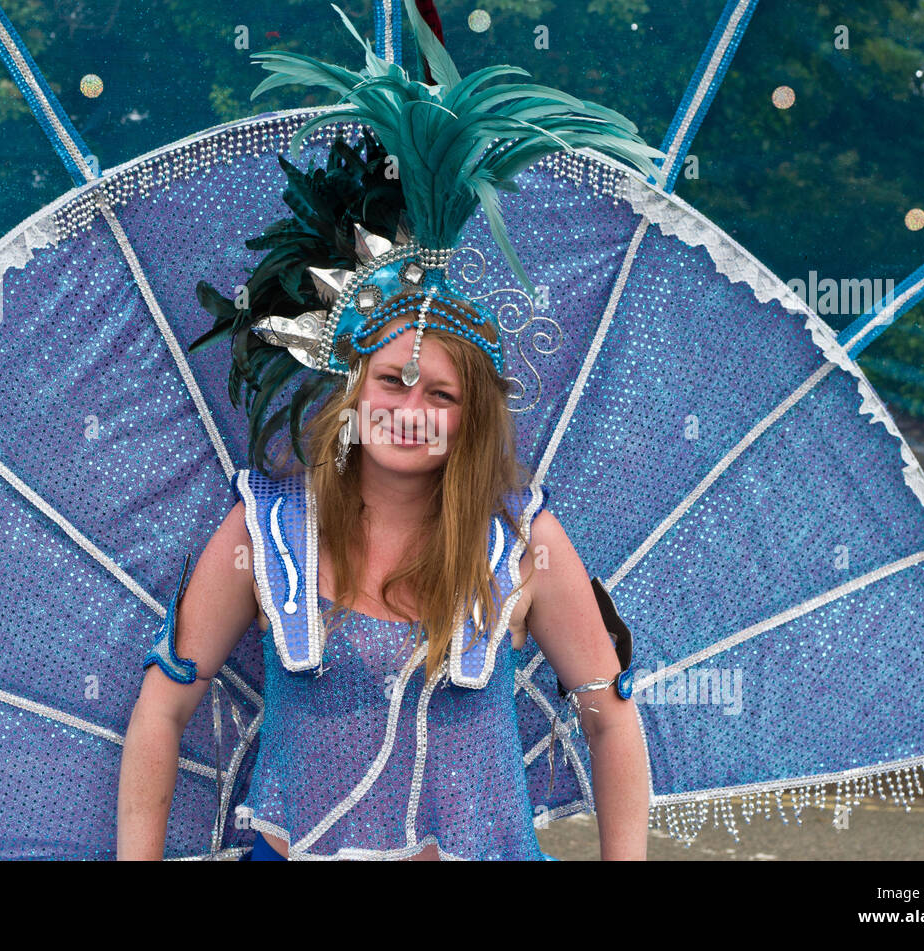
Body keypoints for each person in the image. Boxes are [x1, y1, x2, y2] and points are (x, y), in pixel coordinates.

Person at [117, 1, 660, 860]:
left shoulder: (522, 541)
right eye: (394, 380)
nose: (413, 407)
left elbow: (609, 713)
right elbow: (165, 701)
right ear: (353, 394)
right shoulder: (266, 529)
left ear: (472, 420)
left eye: (443, 395)